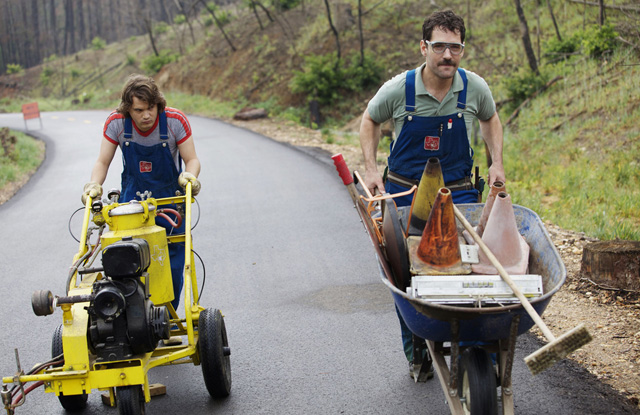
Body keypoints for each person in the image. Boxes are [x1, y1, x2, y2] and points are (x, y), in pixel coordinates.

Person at [358, 10, 505, 374]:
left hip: (458, 194)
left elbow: (490, 119)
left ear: (462, 51)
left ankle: (475, 349)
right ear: (424, 47)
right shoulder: (399, 89)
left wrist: (496, 162)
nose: (447, 56)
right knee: (404, 273)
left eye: (454, 48)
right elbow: (369, 120)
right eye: (439, 46)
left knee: (470, 267)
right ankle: (418, 351)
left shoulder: (474, 88)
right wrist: (373, 169)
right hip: (404, 196)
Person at [82, 74, 201, 312]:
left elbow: (192, 159)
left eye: (151, 108)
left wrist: (190, 176)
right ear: (128, 109)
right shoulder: (116, 123)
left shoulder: (175, 121)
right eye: (139, 110)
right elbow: (102, 162)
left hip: (170, 204)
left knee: (174, 263)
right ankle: (133, 317)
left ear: (158, 104)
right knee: (126, 259)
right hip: (132, 205)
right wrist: (93, 185)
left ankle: (166, 314)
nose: (146, 115)